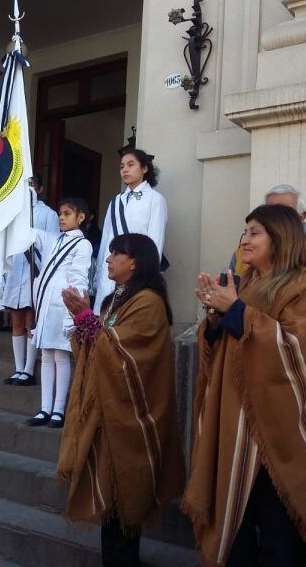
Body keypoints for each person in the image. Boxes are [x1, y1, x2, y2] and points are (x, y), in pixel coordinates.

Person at [183, 204, 306, 566]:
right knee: (237, 537)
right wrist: (216, 318)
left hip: (284, 439)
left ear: (281, 238)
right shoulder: (247, 285)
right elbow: (226, 348)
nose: (244, 240)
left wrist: (234, 311)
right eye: (244, 232)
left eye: (254, 232)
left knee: (282, 543)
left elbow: (296, 351)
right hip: (237, 432)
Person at [59, 233, 184, 567]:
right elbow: (98, 347)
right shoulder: (114, 300)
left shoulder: (148, 303)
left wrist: (87, 320)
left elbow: (128, 356)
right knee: (110, 512)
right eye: (110, 253)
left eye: (117, 254)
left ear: (136, 262)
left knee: (126, 502)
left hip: (132, 414)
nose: (109, 259)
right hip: (107, 413)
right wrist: (83, 321)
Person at [230, 183, 306, 340]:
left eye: (285, 214)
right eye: (270, 212)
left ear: (301, 217)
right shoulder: (243, 256)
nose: (275, 219)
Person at [25, 197, 92, 427]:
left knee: (61, 356)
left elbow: (79, 280)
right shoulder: (54, 239)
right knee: (46, 356)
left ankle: (59, 410)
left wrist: (72, 316)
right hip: (46, 305)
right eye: (60, 214)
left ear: (80, 217)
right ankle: (44, 408)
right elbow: (29, 232)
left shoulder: (82, 244)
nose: (61, 218)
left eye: (67, 214)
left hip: (63, 307)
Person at [0, 174, 59, 385]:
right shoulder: (15, 213)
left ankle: (29, 370)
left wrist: (42, 269)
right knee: (16, 319)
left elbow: (52, 244)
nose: (29, 190)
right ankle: (18, 368)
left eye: (32, 186)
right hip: (16, 270)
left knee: (30, 321)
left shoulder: (48, 214)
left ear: (40, 189)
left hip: (36, 270)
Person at [94, 149, 167, 314]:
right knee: (105, 319)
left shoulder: (155, 199)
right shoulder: (115, 201)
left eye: (130, 165)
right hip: (111, 269)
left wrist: (147, 273)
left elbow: (155, 242)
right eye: (121, 167)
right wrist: (100, 274)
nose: (125, 170)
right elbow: (106, 238)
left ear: (144, 168)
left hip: (136, 269)